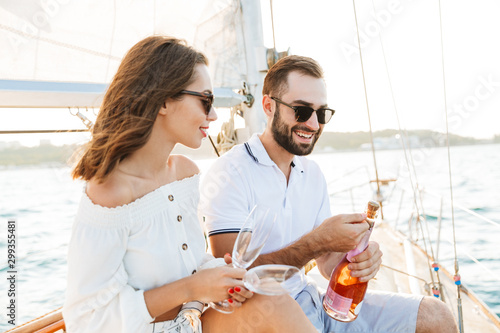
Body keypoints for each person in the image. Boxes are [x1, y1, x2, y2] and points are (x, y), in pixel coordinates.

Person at [63, 36, 317, 333]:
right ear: (164, 100)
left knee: (275, 301)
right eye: (205, 100)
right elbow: (85, 321)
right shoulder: (109, 194)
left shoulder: (184, 173)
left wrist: (220, 277)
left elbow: (193, 262)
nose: (213, 114)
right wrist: (192, 288)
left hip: (194, 322)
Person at [199, 55, 459, 333]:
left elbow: (327, 263)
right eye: (301, 110)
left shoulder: (312, 175)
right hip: (263, 315)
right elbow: (233, 277)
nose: (313, 124)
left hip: (313, 301)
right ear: (268, 106)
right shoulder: (230, 172)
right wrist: (316, 242)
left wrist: (358, 260)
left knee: (436, 316)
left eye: (321, 113)